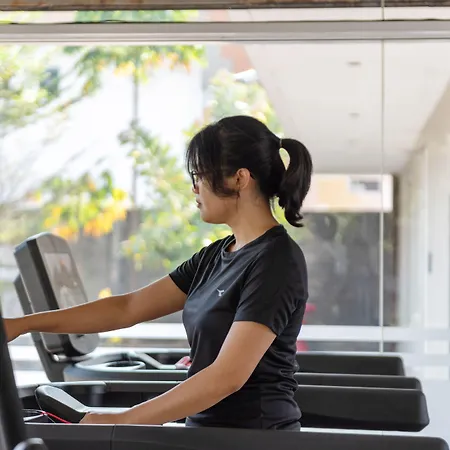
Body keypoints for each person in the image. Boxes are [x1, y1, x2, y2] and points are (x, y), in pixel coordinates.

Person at [4, 115, 313, 430]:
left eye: (199, 175)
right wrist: (21, 325)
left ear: (239, 179)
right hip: (205, 431)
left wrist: (121, 421)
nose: (194, 187)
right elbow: (128, 307)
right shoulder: (215, 255)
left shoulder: (276, 261)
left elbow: (228, 376)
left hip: (253, 436)